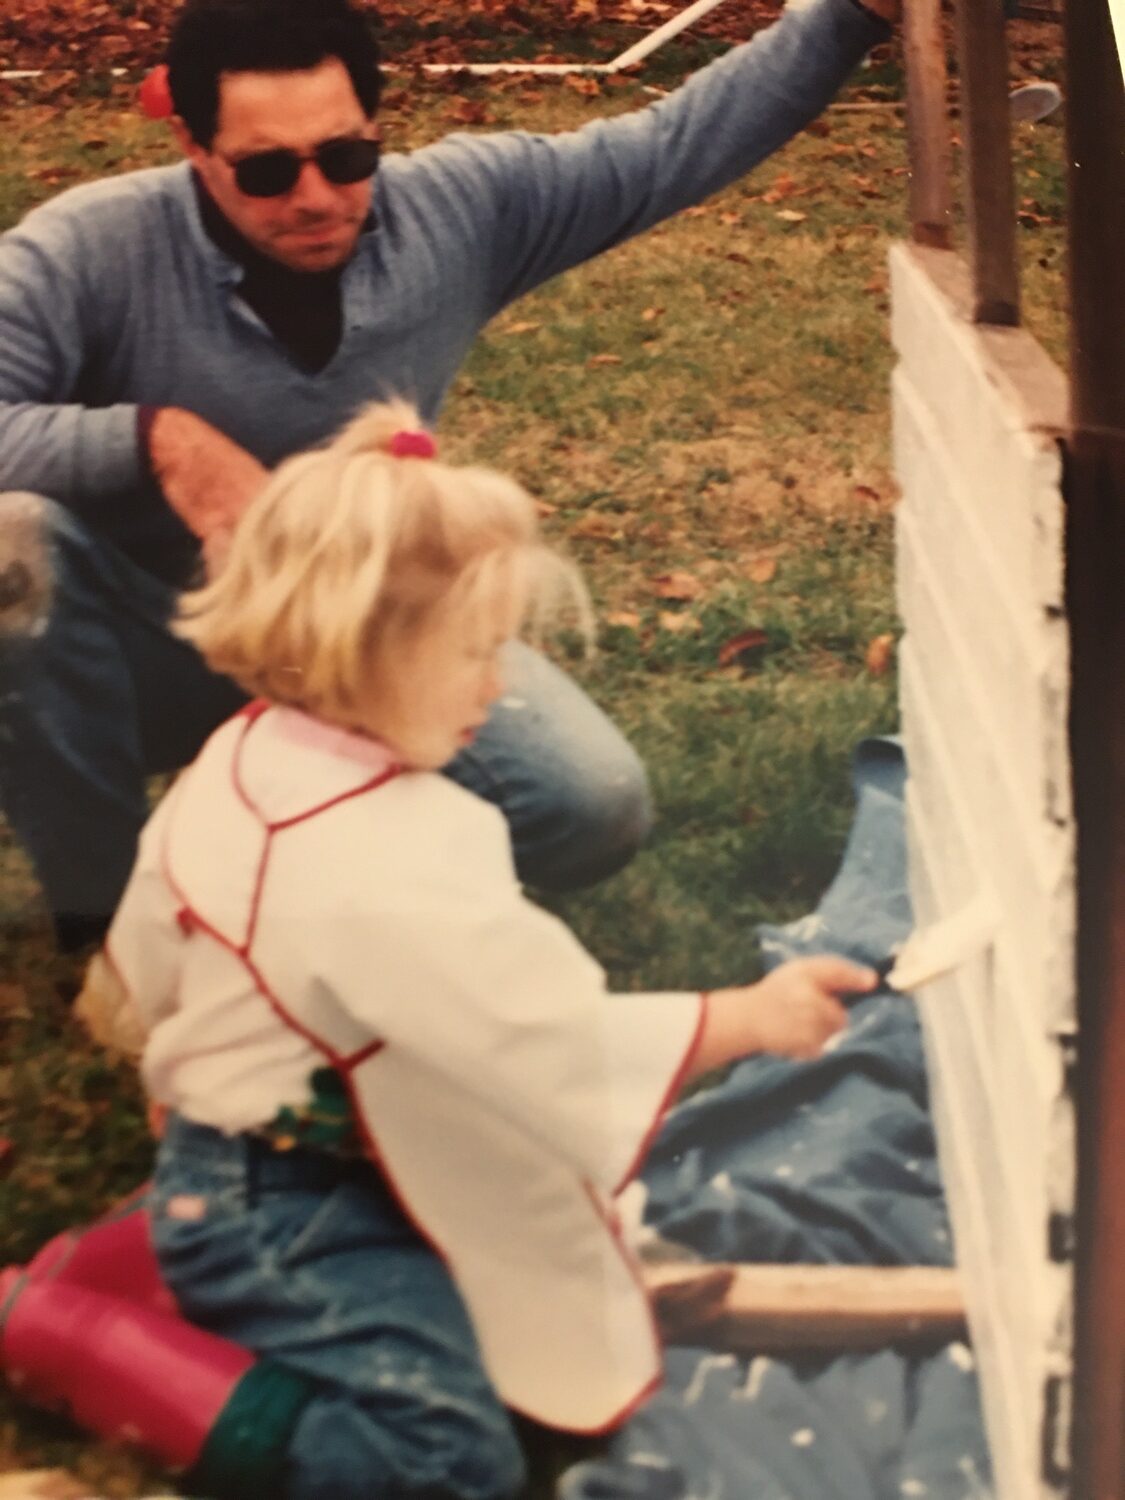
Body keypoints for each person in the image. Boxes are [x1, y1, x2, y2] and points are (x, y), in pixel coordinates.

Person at [67, 400, 875, 1499]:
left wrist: (172, 1044)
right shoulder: (376, 856)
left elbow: (151, 937)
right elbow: (534, 1035)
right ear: (362, 653)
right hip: (297, 1204)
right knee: (448, 1458)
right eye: (476, 654)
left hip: (272, 1152)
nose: (497, 687)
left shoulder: (246, 752)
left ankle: (153, 1250)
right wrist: (745, 1018)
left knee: (512, 1288)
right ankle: (82, 1344)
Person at [0, 0, 898, 953]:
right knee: (12, 549)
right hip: (144, 645)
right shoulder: (90, 247)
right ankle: (106, 928)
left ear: (378, 126)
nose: (313, 196)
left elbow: (668, 146)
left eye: (344, 158)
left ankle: (278, 871)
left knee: (588, 805)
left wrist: (846, 18)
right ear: (188, 139)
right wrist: (159, 441)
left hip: (371, 631)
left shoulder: (459, 207)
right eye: (264, 171)